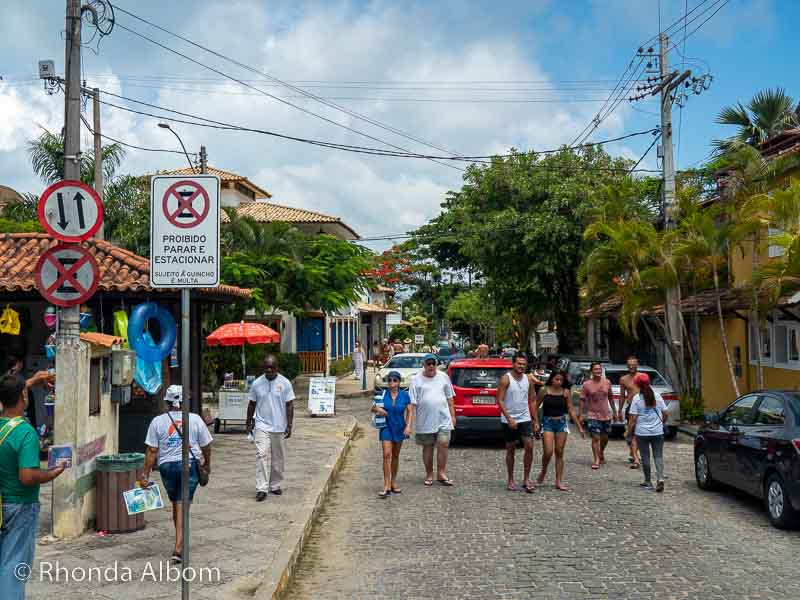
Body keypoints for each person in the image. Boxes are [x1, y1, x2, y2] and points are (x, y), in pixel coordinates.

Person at [0, 374, 65, 600]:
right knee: (14, 566)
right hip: (20, 506)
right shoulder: (25, 432)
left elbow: (8, 394)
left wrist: (32, 380)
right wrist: (52, 473)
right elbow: (27, 476)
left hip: (1, 504)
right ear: (23, 397)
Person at [141, 385, 212, 563]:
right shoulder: (195, 419)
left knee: (177, 503)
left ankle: (179, 539)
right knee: (182, 504)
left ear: (167, 402)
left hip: (167, 468)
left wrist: (145, 475)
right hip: (189, 466)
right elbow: (206, 446)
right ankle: (179, 547)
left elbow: (151, 450)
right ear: (185, 401)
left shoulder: (157, 422)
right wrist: (207, 463)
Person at [246, 355, 295, 501]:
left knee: (278, 457)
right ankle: (261, 488)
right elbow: (251, 403)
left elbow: (290, 405)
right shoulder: (257, 383)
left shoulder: (285, 383)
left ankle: (275, 484)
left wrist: (290, 424)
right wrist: (248, 422)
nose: (269, 370)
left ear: (276, 368)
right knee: (261, 454)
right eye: (266, 367)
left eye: (271, 368)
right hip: (262, 424)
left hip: (279, 425)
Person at [409, 354, 456, 487]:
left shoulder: (444, 377)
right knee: (428, 446)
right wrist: (409, 424)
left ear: (436, 364)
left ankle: (441, 473)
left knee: (444, 443)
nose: (431, 366)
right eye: (428, 364)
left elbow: (450, 398)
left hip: (443, 418)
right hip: (425, 420)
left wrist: (453, 416)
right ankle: (429, 473)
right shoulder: (416, 379)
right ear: (424, 365)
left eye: (433, 364)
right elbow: (411, 404)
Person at [535, 370, 585, 491]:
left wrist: (579, 427)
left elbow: (571, 410)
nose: (558, 382)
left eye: (561, 380)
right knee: (548, 451)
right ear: (551, 379)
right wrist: (535, 422)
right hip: (547, 423)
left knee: (559, 452)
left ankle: (558, 481)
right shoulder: (544, 390)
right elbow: (535, 406)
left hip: (561, 423)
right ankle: (543, 470)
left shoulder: (566, 392)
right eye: (556, 379)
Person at [496, 352, 539, 493]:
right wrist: (509, 418)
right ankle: (510, 479)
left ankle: (526, 479)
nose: (521, 366)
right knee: (511, 448)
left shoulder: (529, 380)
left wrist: (535, 420)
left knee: (529, 446)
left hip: (525, 418)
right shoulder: (506, 379)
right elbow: (500, 400)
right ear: (513, 364)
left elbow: (533, 400)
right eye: (519, 363)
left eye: (524, 364)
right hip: (509, 419)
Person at [371, 370, 413, 498]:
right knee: (386, 454)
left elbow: (410, 411)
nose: (392, 383)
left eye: (394, 380)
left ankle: (393, 482)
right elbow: (373, 407)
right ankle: (386, 484)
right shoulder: (382, 394)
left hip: (399, 427)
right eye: (389, 380)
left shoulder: (405, 395)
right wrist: (377, 409)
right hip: (386, 427)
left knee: (395, 455)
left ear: (399, 382)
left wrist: (408, 426)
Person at [628, 372, 668, 492]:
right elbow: (665, 413)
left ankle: (648, 481)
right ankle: (660, 479)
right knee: (658, 456)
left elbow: (633, 419)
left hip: (642, 433)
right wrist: (661, 423)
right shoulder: (657, 396)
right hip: (657, 432)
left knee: (645, 457)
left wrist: (629, 432)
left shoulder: (636, 399)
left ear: (637, 385)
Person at [579, 362, 615, 470]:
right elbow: (582, 400)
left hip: (605, 415)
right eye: (595, 369)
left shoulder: (607, 382)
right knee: (595, 438)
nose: (598, 371)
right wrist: (580, 415)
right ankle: (596, 460)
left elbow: (611, 397)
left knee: (605, 438)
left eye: (599, 369)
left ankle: (601, 452)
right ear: (592, 371)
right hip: (592, 415)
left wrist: (615, 411)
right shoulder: (586, 384)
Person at [619, 356, 642, 468]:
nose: (632, 366)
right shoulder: (624, 379)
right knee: (630, 431)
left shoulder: (642, 377)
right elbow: (622, 396)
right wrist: (619, 410)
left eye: (634, 364)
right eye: (629, 364)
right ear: (627, 366)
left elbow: (647, 392)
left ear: (637, 364)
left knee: (639, 432)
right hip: (630, 408)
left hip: (642, 408)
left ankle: (634, 454)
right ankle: (633, 452)